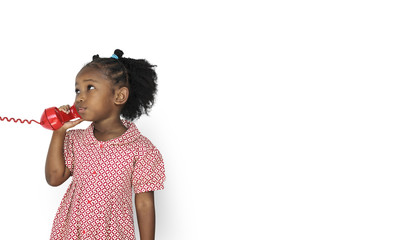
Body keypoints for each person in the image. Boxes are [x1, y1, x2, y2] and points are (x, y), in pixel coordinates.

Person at [45, 49, 166, 240]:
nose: (80, 97)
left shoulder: (141, 149)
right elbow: (54, 178)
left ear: (119, 96)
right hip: (71, 234)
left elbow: (144, 203)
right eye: (77, 90)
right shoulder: (75, 140)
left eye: (90, 88)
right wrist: (59, 131)